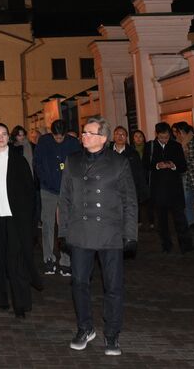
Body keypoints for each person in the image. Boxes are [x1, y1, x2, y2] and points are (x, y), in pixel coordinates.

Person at [59, 116, 137, 357]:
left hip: (110, 232)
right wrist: (63, 231)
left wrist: (130, 234)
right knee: (79, 282)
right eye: (83, 132)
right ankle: (85, 328)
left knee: (113, 286)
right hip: (80, 231)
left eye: (89, 133)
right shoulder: (72, 161)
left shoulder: (119, 163)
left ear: (103, 138)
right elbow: (64, 199)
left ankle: (112, 333)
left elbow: (129, 200)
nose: (84, 136)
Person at [0, 122, 37, 317]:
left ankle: (21, 303)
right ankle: (1, 298)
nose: (0, 137)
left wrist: (29, 219)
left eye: (3, 134)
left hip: (15, 219)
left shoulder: (19, 160)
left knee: (16, 261)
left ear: (8, 137)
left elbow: (29, 191)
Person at [33, 119, 82, 276]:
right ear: (52, 133)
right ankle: (48, 258)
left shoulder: (73, 143)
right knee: (47, 224)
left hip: (67, 190)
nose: (59, 139)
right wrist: (44, 179)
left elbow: (79, 164)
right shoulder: (44, 142)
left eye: (61, 137)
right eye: (56, 137)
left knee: (65, 224)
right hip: (48, 189)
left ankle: (66, 260)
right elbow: (37, 163)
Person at [141, 122, 192, 253]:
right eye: (162, 137)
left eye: (167, 137)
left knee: (180, 219)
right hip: (158, 190)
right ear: (157, 134)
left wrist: (173, 165)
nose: (164, 139)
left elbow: (183, 167)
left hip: (174, 189)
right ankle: (166, 245)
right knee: (162, 220)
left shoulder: (176, 146)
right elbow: (145, 164)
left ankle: (186, 245)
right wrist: (157, 166)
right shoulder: (150, 146)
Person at [111, 125, 148, 231]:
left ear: (126, 137)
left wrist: (142, 191)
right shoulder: (107, 152)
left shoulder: (132, 153)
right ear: (113, 136)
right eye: (117, 134)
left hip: (128, 189)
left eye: (123, 134)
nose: (120, 136)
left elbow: (139, 173)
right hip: (111, 189)